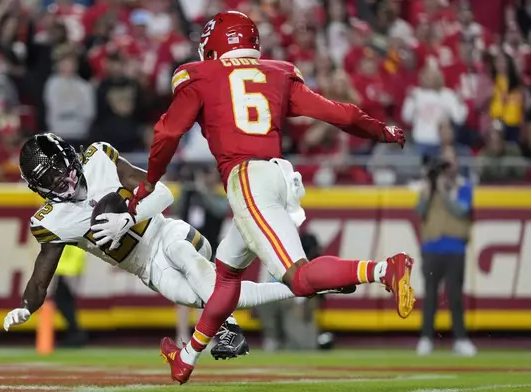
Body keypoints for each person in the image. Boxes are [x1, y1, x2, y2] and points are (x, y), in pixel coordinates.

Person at [127, 11, 415, 384]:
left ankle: (383, 270)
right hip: (279, 174)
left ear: (214, 43)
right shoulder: (277, 73)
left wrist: (149, 183)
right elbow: (338, 113)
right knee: (226, 276)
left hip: (247, 179)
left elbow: (168, 133)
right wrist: (381, 131)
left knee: (297, 277)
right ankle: (185, 358)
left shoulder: (199, 75)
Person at [2, 133, 308, 360]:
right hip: (147, 268)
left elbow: (164, 193)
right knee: (200, 297)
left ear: (70, 156)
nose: (60, 180)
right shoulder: (51, 221)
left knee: (184, 256)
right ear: (38, 188)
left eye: (58, 169)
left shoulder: (99, 158)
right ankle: (299, 286)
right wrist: (26, 307)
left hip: (166, 232)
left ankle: (229, 329)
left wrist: (128, 216)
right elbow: (41, 276)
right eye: (50, 179)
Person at [415, 146, 476, 357]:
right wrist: (429, 189)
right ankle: (426, 338)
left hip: (455, 247)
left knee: (455, 296)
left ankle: (460, 339)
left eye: (451, 161)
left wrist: (443, 190)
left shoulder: (463, 186)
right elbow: (420, 211)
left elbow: (461, 210)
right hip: (431, 247)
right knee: (430, 296)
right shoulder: (430, 187)